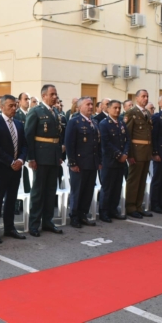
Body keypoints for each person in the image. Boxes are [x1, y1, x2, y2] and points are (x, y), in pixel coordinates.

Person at [0, 95, 28, 244]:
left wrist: (20, 160)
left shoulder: (18, 123)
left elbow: (24, 145)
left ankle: (9, 228)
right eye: (11, 106)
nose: (14, 108)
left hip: (16, 168)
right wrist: (10, 161)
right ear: (2, 106)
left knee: (12, 199)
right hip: (1, 168)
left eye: (15, 105)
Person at [25, 84, 63, 237]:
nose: (55, 97)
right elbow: (28, 136)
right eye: (52, 94)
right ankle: (34, 224)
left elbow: (57, 136)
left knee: (50, 191)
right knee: (38, 192)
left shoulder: (55, 112)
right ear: (44, 96)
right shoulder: (36, 111)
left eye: (55, 94)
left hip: (53, 157)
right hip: (40, 157)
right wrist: (31, 158)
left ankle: (48, 221)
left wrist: (58, 155)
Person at [65, 97, 101, 228]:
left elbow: (98, 144)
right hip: (79, 163)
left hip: (92, 162)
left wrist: (99, 161)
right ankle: (74, 216)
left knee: (88, 190)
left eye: (92, 104)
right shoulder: (74, 122)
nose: (91, 107)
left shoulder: (95, 122)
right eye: (88, 104)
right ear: (79, 107)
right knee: (77, 190)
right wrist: (73, 163)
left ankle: (83, 214)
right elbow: (69, 143)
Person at [124, 89, 153, 219]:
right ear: (137, 98)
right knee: (134, 181)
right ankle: (130, 207)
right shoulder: (131, 113)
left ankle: (138, 206)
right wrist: (130, 154)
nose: (145, 99)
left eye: (147, 96)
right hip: (136, 152)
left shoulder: (147, 113)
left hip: (146, 152)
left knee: (142, 180)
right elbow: (128, 134)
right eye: (143, 96)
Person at [99, 100, 129, 222]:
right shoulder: (104, 124)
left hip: (121, 161)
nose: (117, 110)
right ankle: (104, 212)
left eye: (119, 108)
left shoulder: (122, 123)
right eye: (115, 108)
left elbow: (127, 139)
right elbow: (106, 143)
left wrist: (125, 153)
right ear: (109, 109)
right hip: (109, 160)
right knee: (107, 187)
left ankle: (113, 210)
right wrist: (119, 154)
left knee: (117, 187)